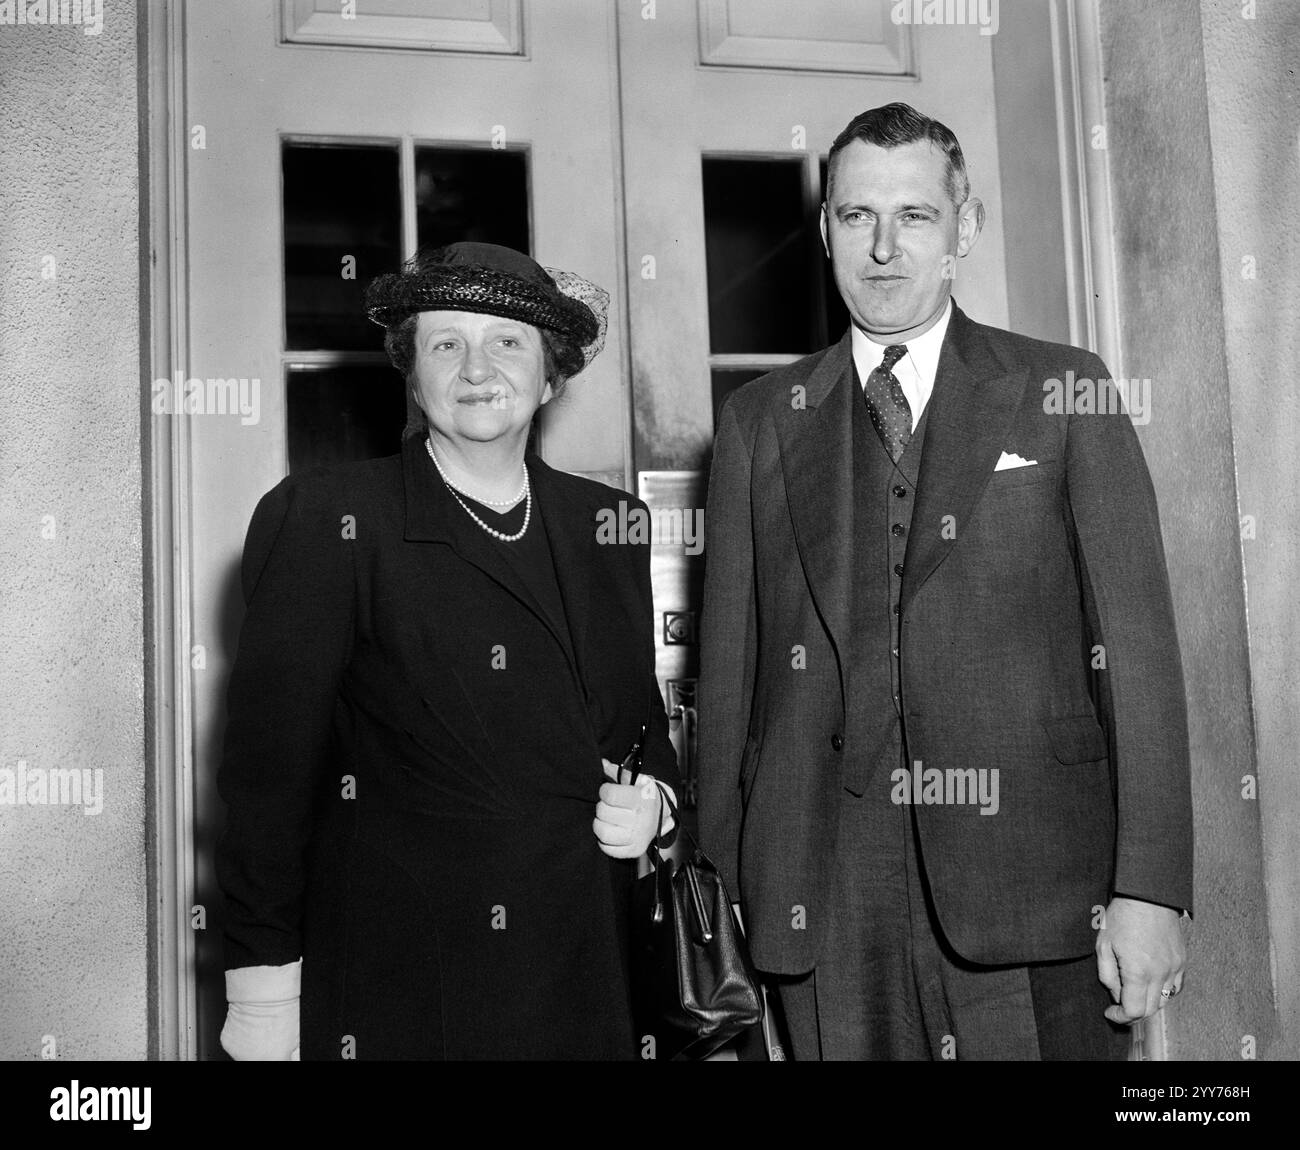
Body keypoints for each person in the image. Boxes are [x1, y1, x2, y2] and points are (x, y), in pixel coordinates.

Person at [697, 103, 1193, 1061]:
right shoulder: (760, 419)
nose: (883, 248)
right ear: (828, 230)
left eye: (915, 217)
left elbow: (1139, 655)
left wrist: (1152, 886)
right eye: (855, 217)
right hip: (824, 906)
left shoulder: (1063, 389)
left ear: (963, 229)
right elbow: (730, 681)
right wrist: (723, 897)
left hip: (1039, 894)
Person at [217, 242, 677, 1060]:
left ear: (551, 376)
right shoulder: (332, 520)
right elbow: (265, 780)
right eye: (445, 343)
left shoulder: (609, 527)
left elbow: (642, 732)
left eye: (507, 342)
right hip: (406, 988)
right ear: (413, 371)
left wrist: (658, 807)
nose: (476, 369)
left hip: (588, 979)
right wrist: (263, 989)